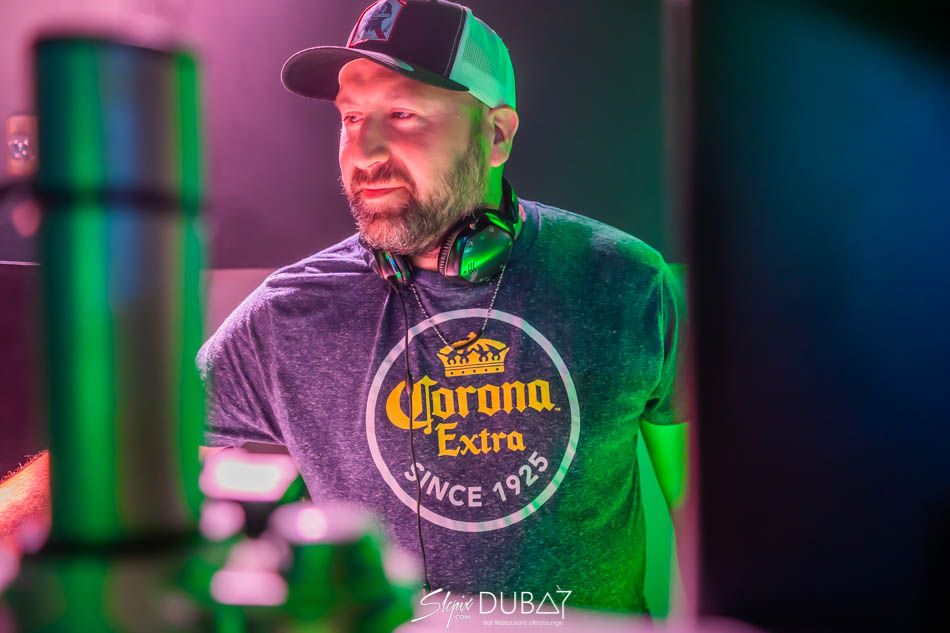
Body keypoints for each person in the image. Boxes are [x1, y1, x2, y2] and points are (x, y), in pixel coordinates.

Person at [1, 0, 686, 614]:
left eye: (403, 114)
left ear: (497, 135)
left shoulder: (625, 281)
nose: (365, 151)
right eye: (352, 118)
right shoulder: (288, 316)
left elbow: (706, 504)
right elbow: (121, 454)